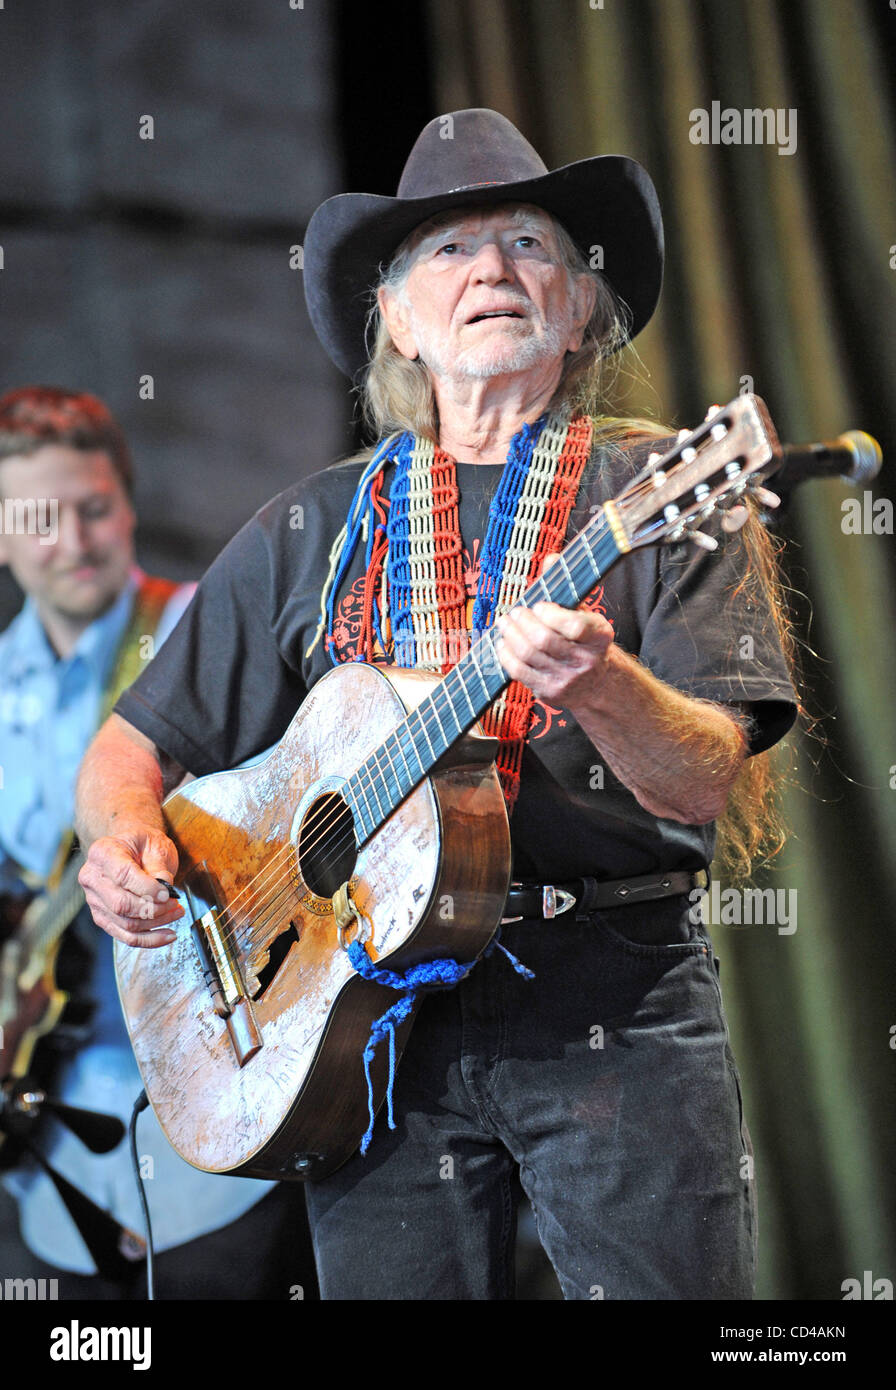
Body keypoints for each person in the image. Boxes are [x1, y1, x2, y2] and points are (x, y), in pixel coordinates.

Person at [74, 110, 798, 1300]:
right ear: (398, 322)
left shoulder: (656, 488)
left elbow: (702, 776)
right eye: (449, 252)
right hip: (358, 1036)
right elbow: (129, 746)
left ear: (577, 313)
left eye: (528, 243)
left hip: (610, 997)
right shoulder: (312, 523)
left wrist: (603, 685)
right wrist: (120, 839)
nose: (493, 270)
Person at [0, 386, 313, 1298]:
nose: (76, 539)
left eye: (95, 508)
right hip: (52, 1132)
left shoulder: (201, 637)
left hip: (227, 1075)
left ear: (128, 505)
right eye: (39, 519)